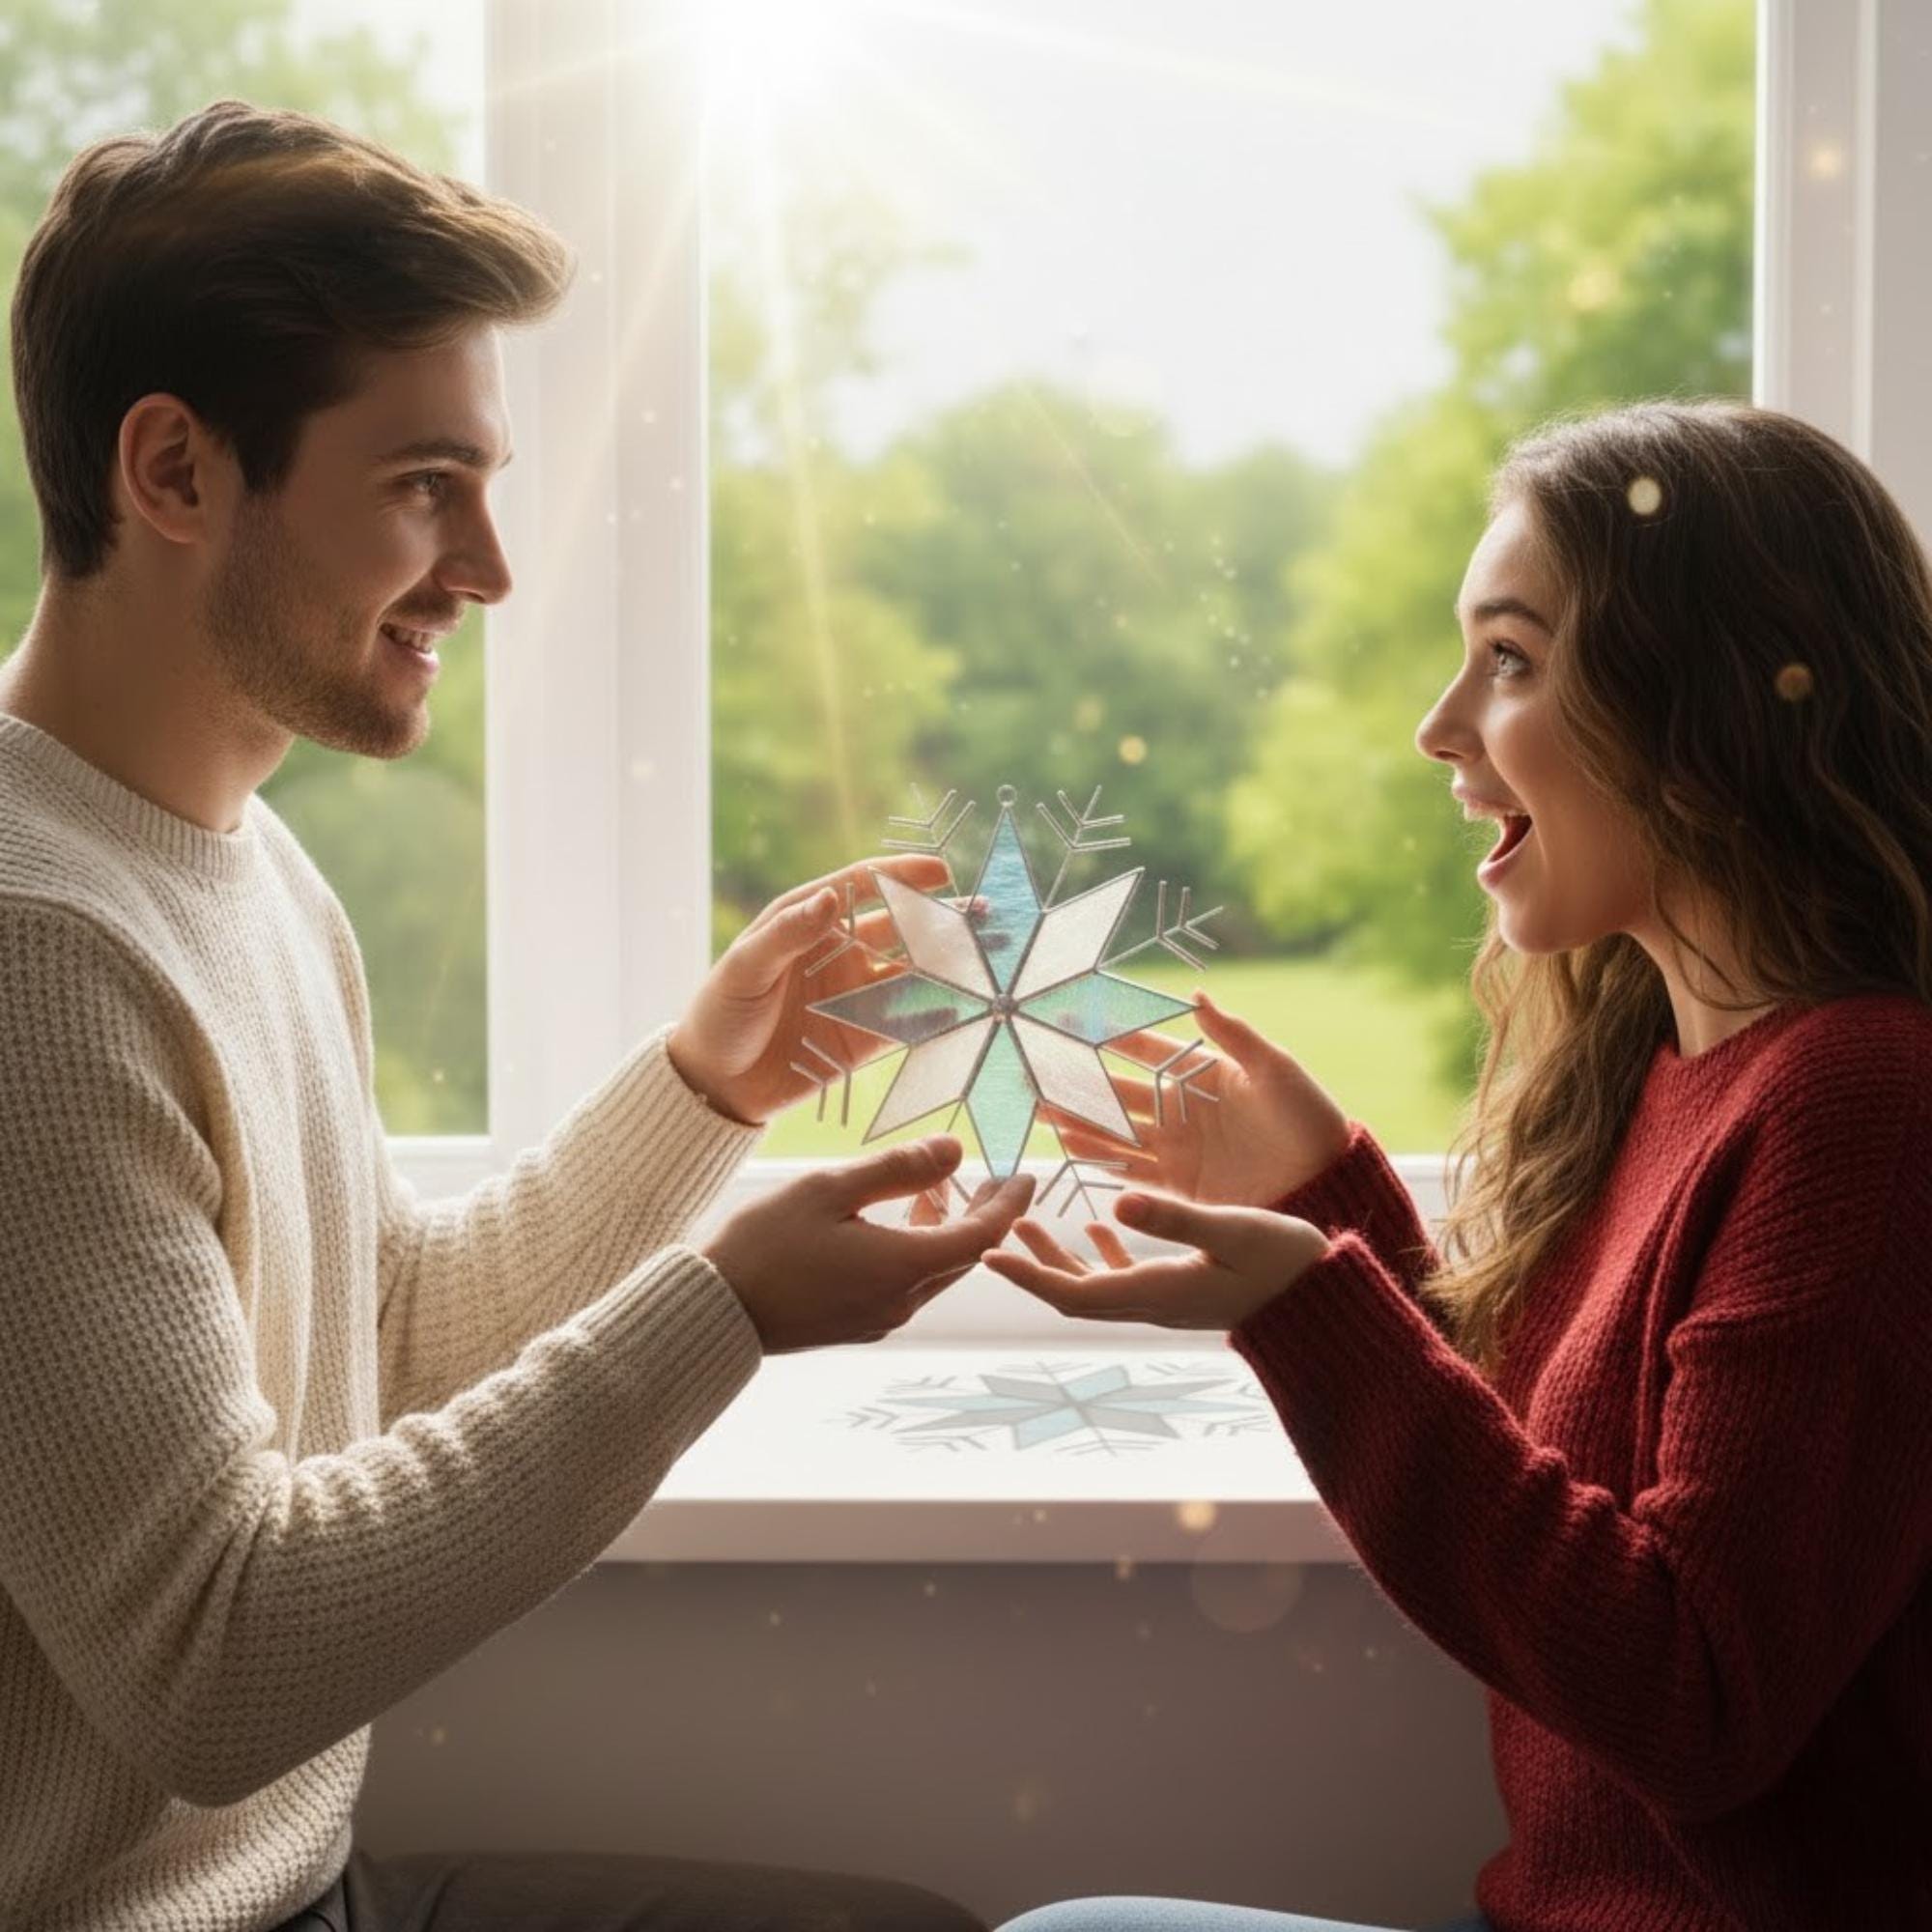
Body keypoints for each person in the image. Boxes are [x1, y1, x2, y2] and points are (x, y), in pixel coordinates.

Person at [0, 100, 1035, 1932]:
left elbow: (384, 1341)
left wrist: (707, 1088)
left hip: (315, 1887)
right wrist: (722, 1314)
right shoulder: (35, 954)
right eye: (422, 484)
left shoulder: (247, 870)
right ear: (172, 473)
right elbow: (215, 1660)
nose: (488, 563)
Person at [983, 402, 1932, 1932]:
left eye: (1510, 659)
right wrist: (1322, 1206)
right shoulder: (1679, 1071)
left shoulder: (1863, 1107)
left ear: (1708, 702)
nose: (1439, 727)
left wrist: (1309, 1303)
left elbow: (1692, 1693)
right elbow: (1561, 1482)